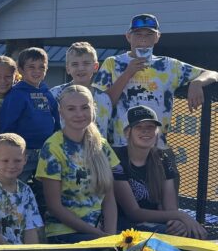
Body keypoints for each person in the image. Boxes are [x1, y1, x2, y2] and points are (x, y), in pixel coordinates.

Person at [92, 13, 218, 147]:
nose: (143, 39)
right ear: (128, 37)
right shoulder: (113, 63)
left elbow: (213, 74)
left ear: (157, 37)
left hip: (156, 146)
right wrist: (127, 73)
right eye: (138, 34)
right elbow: (102, 105)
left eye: (149, 34)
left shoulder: (169, 65)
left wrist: (197, 82)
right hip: (120, 146)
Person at [36, 85, 118, 244]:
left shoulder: (102, 145)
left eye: (84, 108)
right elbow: (55, 207)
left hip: (99, 233)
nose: (79, 114)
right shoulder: (52, 147)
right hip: (65, 234)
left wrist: (112, 238)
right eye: (71, 109)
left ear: (93, 109)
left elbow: (109, 199)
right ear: (61, 112)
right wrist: (101, 237)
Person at [112, 105, 207, 238]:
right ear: (128, 132)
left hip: (155, 225)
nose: (145, 131)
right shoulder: (116, 158)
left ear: (157, 133)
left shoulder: (163, 158)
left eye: (150, 127)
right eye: (139, 127)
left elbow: (170, 208)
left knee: (192, 232)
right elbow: (133, 212)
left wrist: (175, 223)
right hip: (123, 227)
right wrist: (180, 215)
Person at [0, 47, 60, 182]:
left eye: (41, 67)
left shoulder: (47, 92)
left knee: (47, 185)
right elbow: (7, 123)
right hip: (23, 152)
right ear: (20, 70)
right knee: (17, 183)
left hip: (46, 150)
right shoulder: (16, 94)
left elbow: (57, 117)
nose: (37, 71)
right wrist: (8, 148)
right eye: (31, 67)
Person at [0, 133, 43, 245]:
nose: (11, 165)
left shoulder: (26, 190)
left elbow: (31, 230)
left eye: (17, 160)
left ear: (25, 160)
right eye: (5, 161)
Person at [50, 42, 113, 139]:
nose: (80, 68)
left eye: (86, 63)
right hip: (62, 152)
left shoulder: (104, 99)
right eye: (75, 64)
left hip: (95, 152)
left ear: (95, 67)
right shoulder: (55, 95)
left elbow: (106, 134)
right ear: (68, 68)